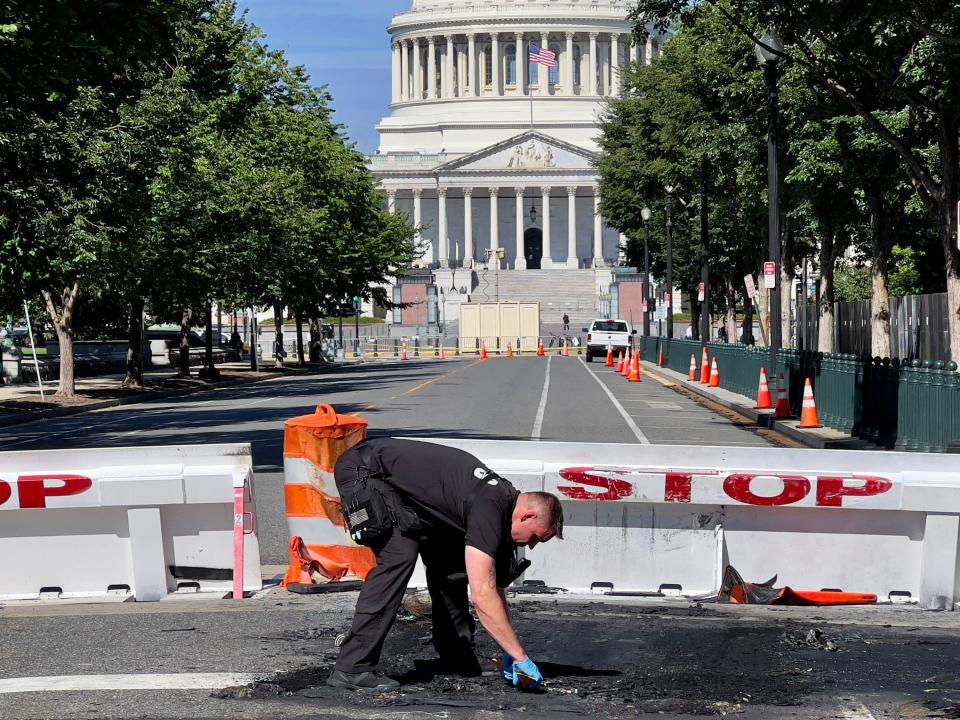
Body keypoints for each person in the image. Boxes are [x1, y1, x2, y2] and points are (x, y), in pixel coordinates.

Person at [327, 438, 563, 692]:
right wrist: (520, 657)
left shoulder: (501, 504)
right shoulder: (491, 507)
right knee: (399, 554)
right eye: (537, 536)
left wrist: (508, 647)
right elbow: (483, 594)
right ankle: (352, 666)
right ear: (528, 515)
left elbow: (494, 587)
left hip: (402, 489)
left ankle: (455, 655)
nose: (532, 545)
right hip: (365, 471)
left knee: (451, 563)